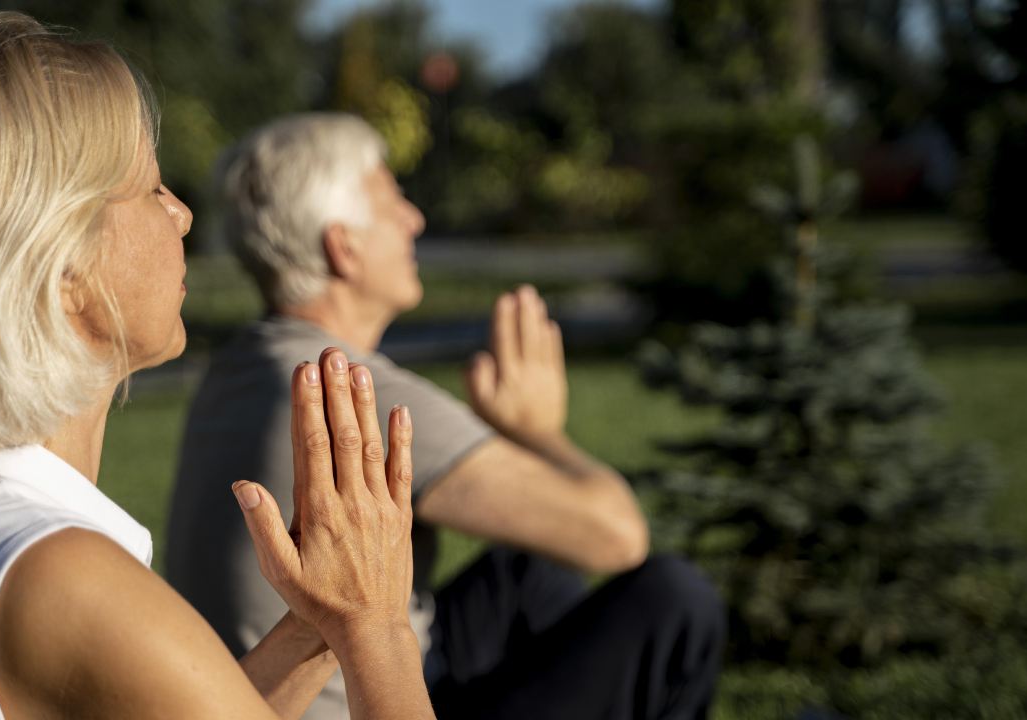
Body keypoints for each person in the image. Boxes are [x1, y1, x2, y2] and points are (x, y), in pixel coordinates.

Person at [0, 15, 435, 720]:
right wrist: (376, 626)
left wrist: (315, 628)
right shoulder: (60, 580)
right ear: (59, 266)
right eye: (149, 187)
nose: (179, 215)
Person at [167, 113, 726, 720]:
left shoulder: (239, 367)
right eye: (392, 199)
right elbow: (616, 537)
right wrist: (539, 433)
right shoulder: (347, 388)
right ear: (343, 246)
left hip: (269, 692)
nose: (416, 219)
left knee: (532, 574)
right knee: (675, 601)